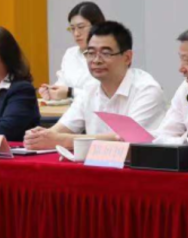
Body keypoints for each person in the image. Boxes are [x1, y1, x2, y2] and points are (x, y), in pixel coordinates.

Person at [24, 21, 165, 150]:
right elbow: (61, 129)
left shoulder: (147, 90)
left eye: (106, 53)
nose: (96, 60)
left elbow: (128, 139)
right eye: (91, 53)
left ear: (127, 57)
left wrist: (62, 140)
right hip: (97, 165)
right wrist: (39, 136)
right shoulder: (90, 88)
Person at [39, 1, 105, 102]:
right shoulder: (70, 54)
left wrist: (70, 92)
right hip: (71, 110)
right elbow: (63, 83)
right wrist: (52, 91)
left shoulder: (109, 55)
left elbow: (103, 94)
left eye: (81, 27)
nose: (76, 33)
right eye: (72, 29)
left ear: (96, 26)